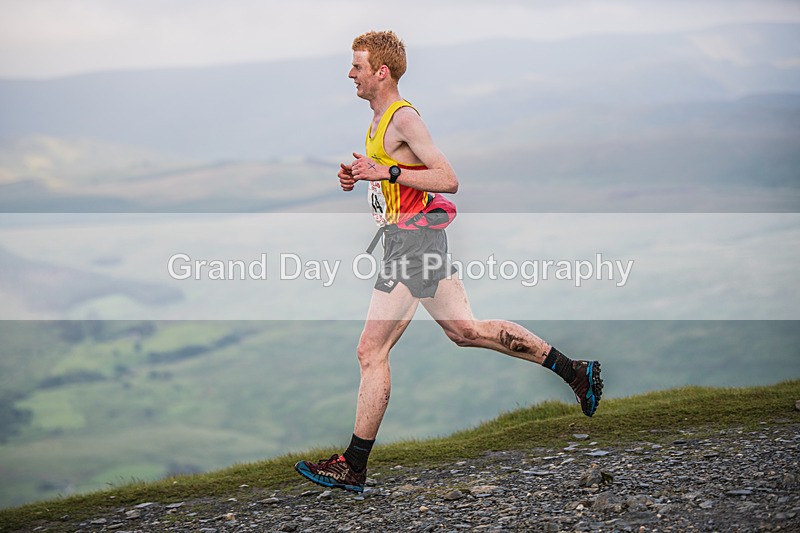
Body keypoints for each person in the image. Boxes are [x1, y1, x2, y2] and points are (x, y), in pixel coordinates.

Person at [295, 30, 603, 493]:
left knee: (370, 351)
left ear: (381, 71)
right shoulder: (379, 120)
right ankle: (576, 371)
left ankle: (353, 466)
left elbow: (448, 178)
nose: (350, 73)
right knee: (466, 331)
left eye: (357, 66)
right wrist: (364, 176)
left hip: (412, 246)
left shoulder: (403, 119)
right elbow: (395, 179)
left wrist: (388, 171)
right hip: (412, 242)